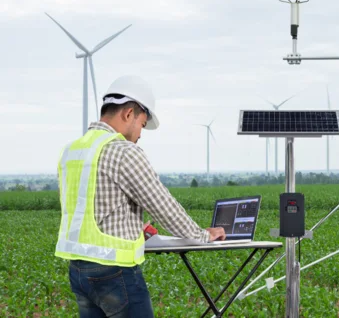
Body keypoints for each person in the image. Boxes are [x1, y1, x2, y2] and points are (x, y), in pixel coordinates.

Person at [55, 75, 225, 317]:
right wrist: (203, 235)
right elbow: (164, 208)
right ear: (128, 113)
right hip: (115, 272)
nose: (140, 135)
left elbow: (87, 207)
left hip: (79, 271)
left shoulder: (71, 151)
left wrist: (134, 225)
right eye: (142, 125)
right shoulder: (123, 151)